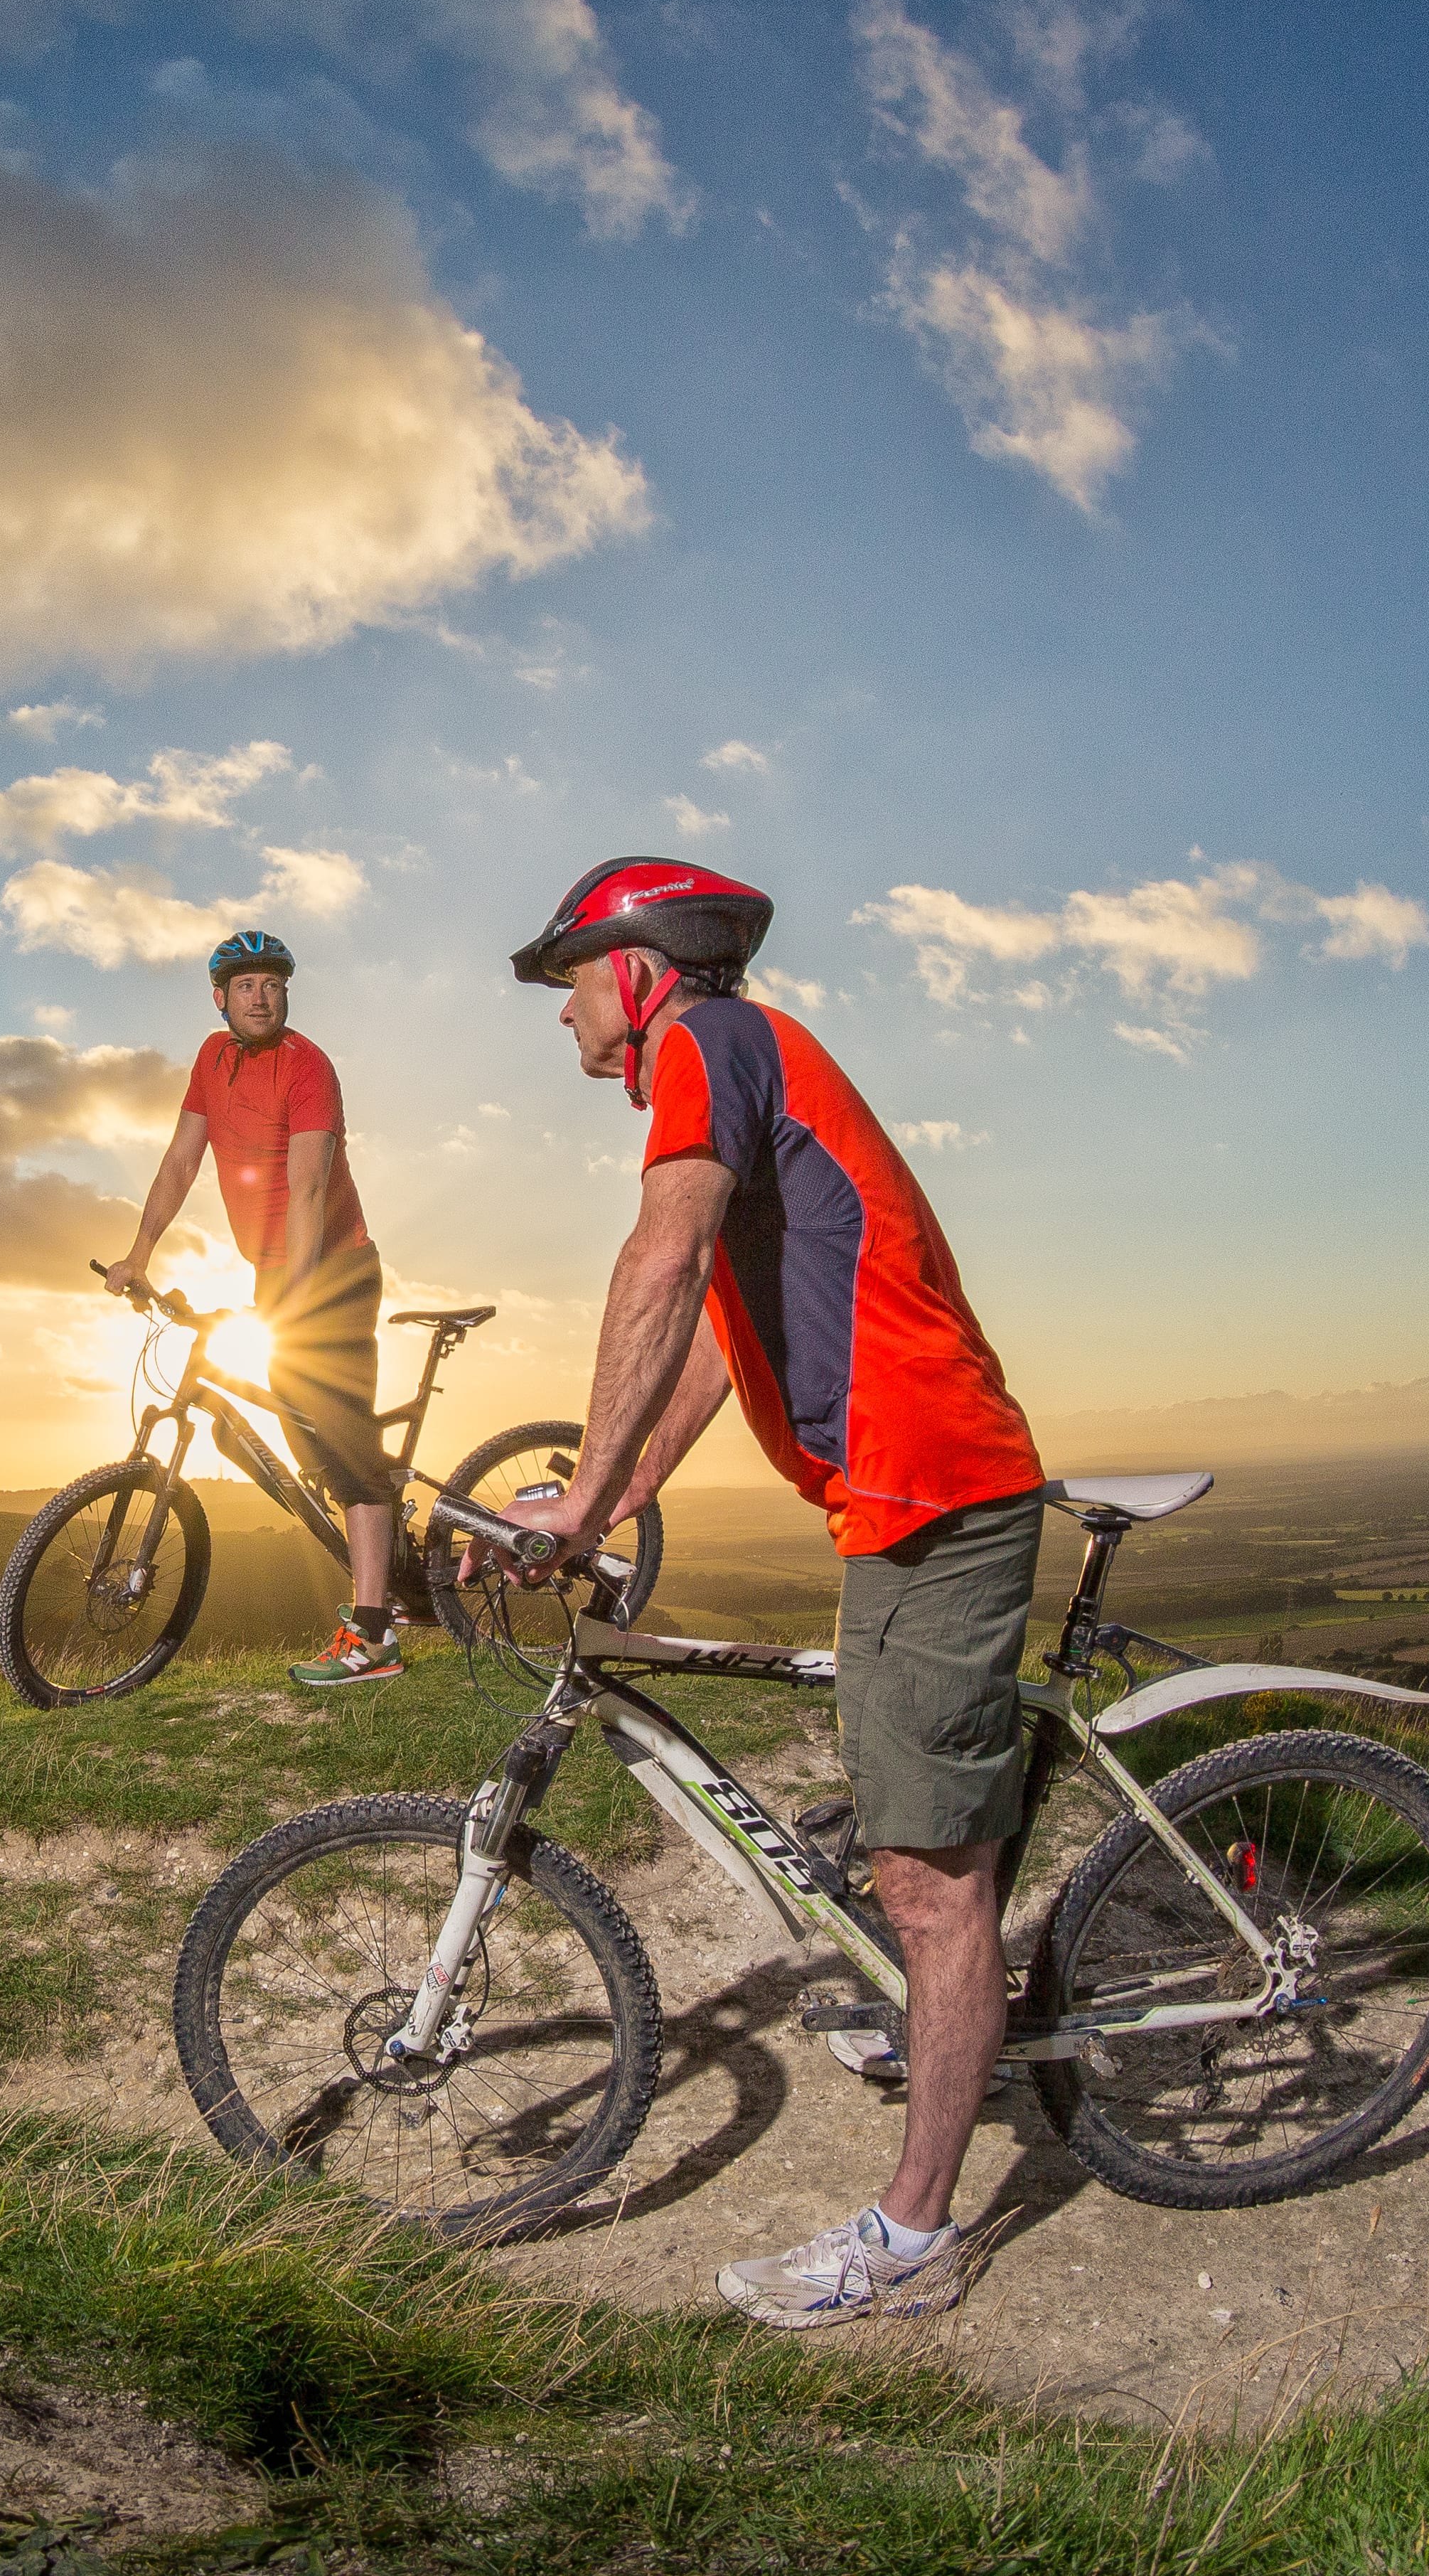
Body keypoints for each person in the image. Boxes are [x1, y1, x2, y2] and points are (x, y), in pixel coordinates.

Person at [496, 855, 1048, 2329]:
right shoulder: (741, 1054)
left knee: (933, 1890)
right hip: (900, 1493)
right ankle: (949, 1996)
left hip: (931, 1496)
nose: (563, 1022)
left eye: (570, 985)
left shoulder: (706, 1041)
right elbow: (708, 1354)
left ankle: (915, 2242)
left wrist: (575, 1508)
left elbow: (660, 1258)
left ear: (637, 968)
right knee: (906, 1827)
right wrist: (601, 1495)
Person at [99, 930, 402, 1687]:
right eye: (245, 986)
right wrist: (139, 1252)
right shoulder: (211, 1059)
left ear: (285, 993)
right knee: (307, 1440)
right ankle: (383, 1554)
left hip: (333, 1270)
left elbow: (305, 1190)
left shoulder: (309, 1069)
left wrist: (293, 1300)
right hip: (278, 1274)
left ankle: (375, 1637)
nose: (260, 995)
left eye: (271, 982)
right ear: (221, 999)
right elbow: (179, 1160)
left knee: (343, 1439)